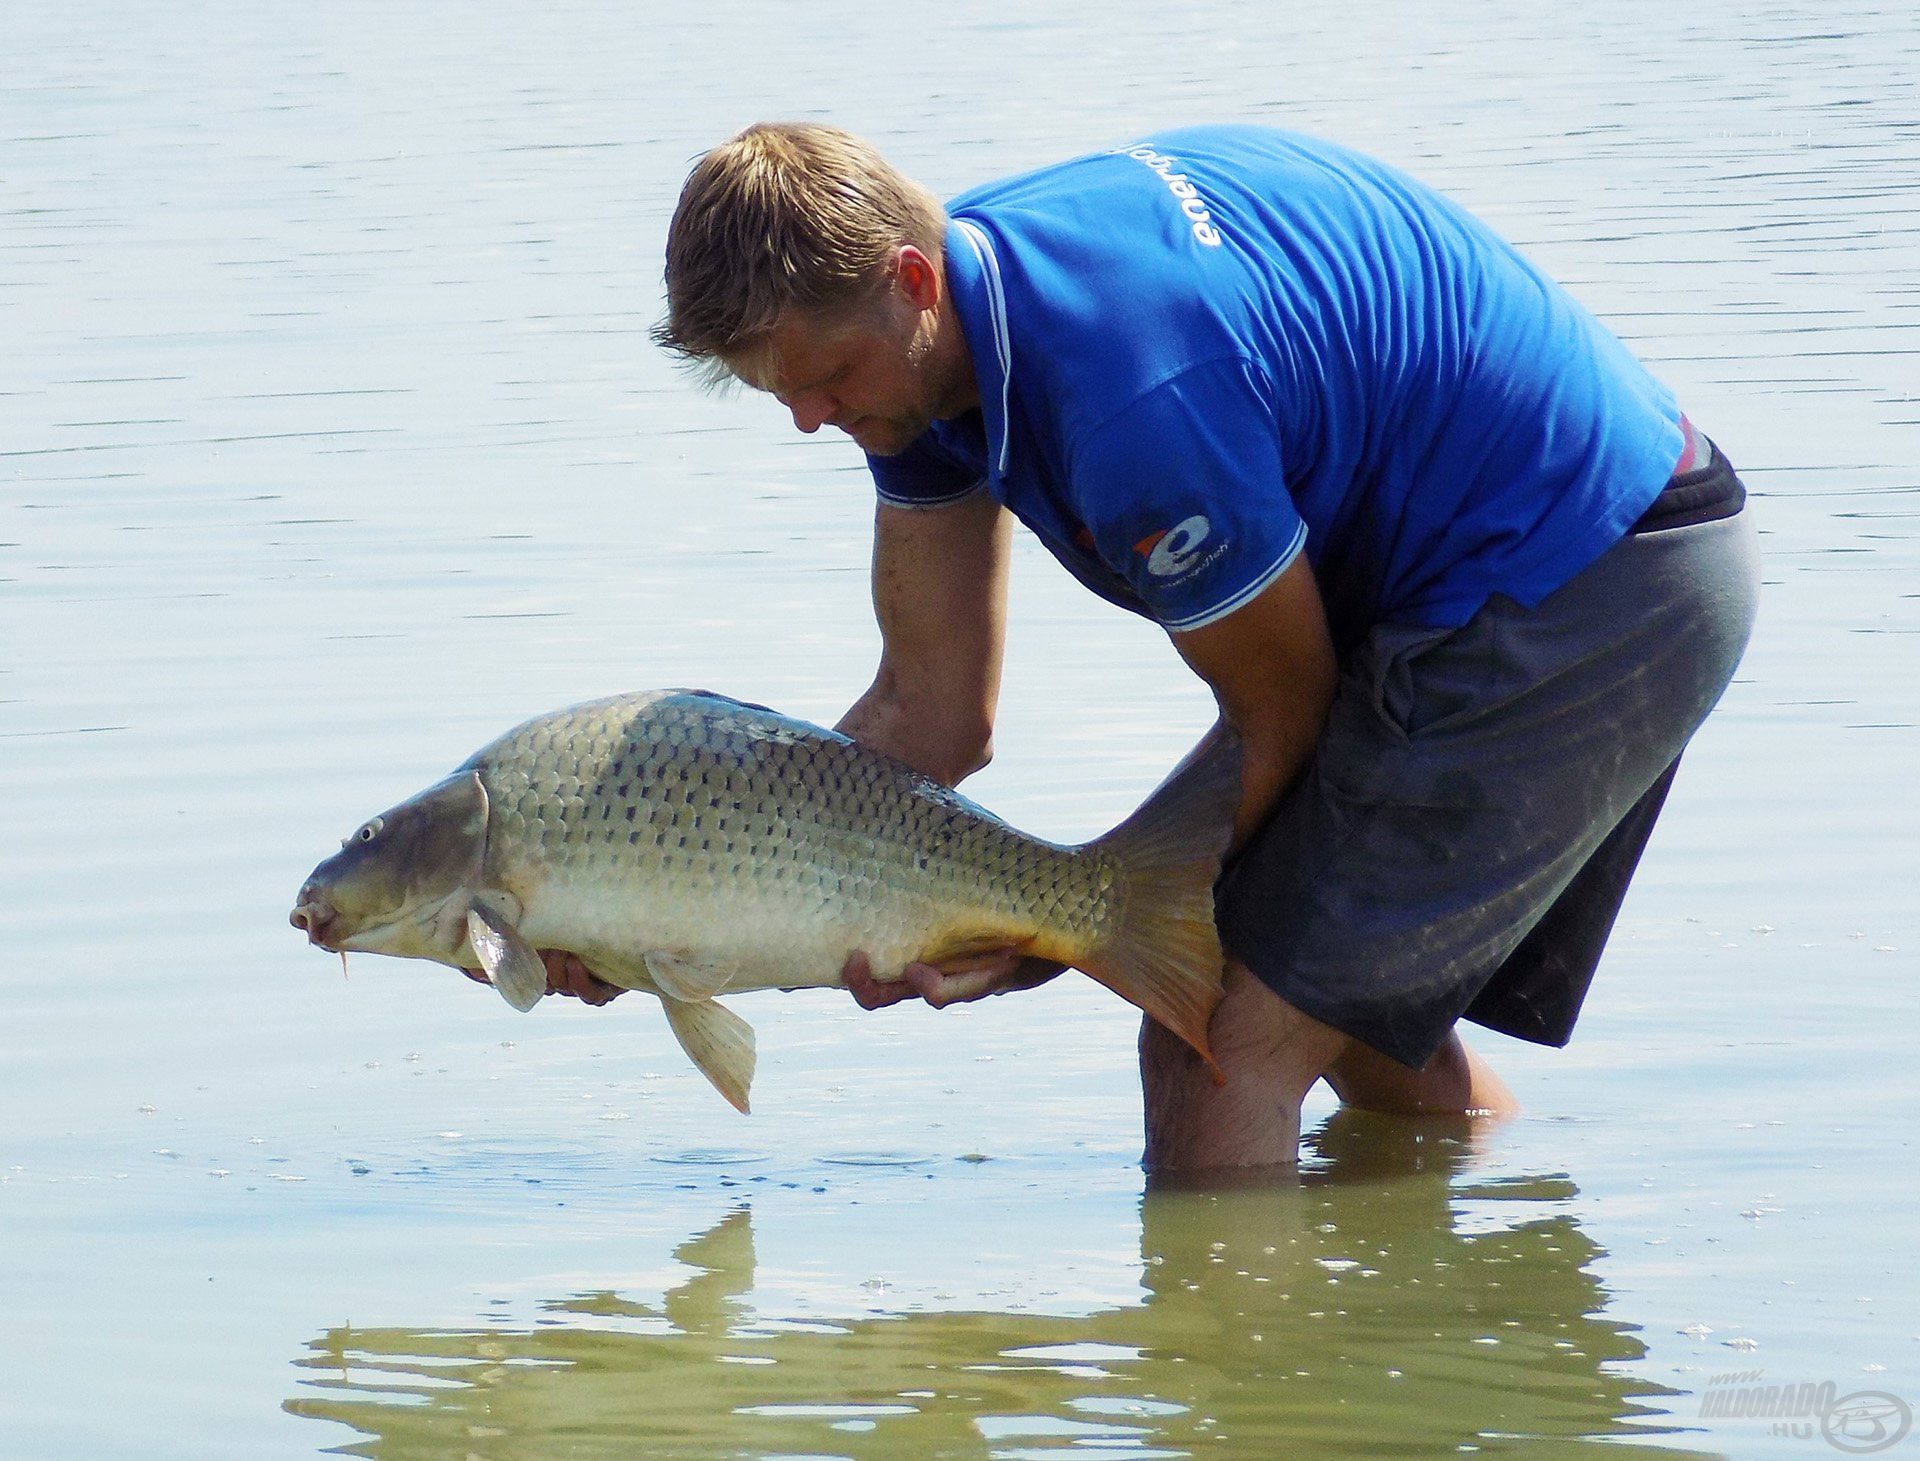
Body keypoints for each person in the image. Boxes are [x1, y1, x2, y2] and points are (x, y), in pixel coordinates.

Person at [537, 122, 1758, 1175]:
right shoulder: (926, 349)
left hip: (1583, 581)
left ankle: (1238, 1413)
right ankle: (1497, 1265)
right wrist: (662, 909)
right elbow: (931, 716)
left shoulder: (1133, 404)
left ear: (909, 280)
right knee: (1344, 1017)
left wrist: (1071, 935)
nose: (810, 420)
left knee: (1213, 1050)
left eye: (828, 379)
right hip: (1487, 576)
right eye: (777, 394)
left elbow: (1288, 716)